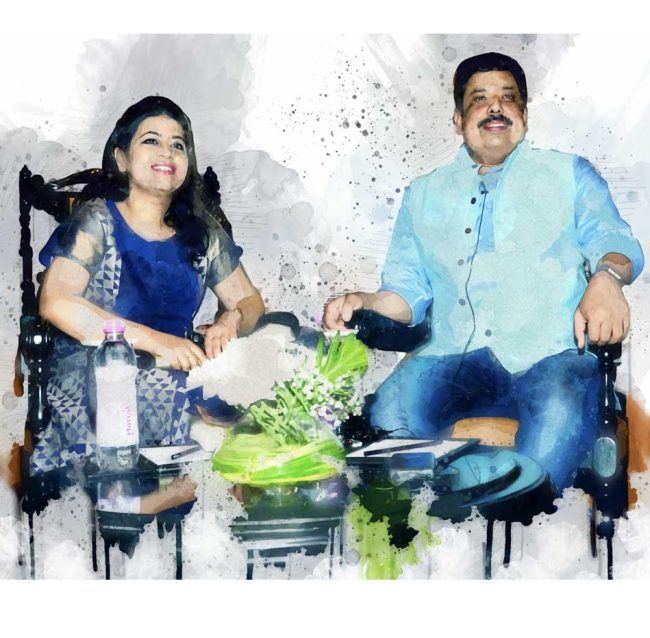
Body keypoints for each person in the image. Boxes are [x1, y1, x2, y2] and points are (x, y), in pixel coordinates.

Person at [323, 52, 644, 493]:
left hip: (551, 358)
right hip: (451, 361)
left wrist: (607, 277)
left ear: (524, 115)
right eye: (479, 98)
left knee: (559, 416)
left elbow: (616, 242)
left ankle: (521, 504)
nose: (495, 107)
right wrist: (362, 301)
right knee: (389, 413)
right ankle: (418, 513)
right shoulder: (422, 195)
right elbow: (405, 294)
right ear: (458, 119)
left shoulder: (571, 174)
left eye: (508, 98)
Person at [30, 96, 265, 476]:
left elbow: (251, 301)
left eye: (178, 144)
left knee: (283, 374)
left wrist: (232, 319)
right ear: (121, 158)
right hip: (101, 374)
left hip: (181, 368)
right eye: (151, 140)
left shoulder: (202, 231)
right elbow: (56, 302)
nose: (167, 152)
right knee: (181, 405)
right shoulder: (97, 221)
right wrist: (157, 342)